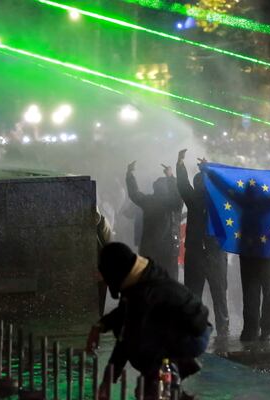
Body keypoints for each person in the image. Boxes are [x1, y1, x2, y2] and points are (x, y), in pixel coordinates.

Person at [87, 242, 211, 399]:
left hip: (192, 336)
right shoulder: (143, 275)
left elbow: (124, 343)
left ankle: (170, 372)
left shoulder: (144, 295)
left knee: (140, 350)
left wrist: (106, 382)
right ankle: (172, 377)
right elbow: (123, 312)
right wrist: (100, 325)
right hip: (189, 328)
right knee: (142, 348)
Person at [176, 149, 229, 337]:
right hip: (211, 255)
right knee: (217, 296)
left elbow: (183, 184)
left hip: (200, 254)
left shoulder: (201, 200)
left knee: (200, 295)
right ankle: (222, 330)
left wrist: (181, 165)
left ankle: (194, 328)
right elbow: (184, 185)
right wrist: (207, 169)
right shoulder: (216, 200)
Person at [126, 161, 183, 280]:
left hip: (150, 251)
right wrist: (171, 177)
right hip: (169, 251)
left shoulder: (148, 201)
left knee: (149, 285)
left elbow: (134, 193)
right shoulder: (173, 204)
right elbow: (178, 196)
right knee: (170, 286)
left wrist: (130, 174)